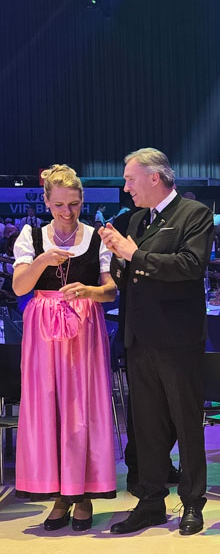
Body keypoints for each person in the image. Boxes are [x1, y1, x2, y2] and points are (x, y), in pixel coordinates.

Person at [102, 148, 213, 535]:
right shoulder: (136, 219)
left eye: (130, 179)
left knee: (186, 423)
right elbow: (125, 276)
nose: (126, 187)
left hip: (178, 339)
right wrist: (118, 255)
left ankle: (193, 502)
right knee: (146, 426)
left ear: (154, 177)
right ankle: (150, 501)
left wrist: (135, 254)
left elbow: (191, 266)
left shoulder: (193, 214)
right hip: (139, 337)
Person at [11, 165, 117, 531]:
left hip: (84, 330)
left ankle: (83, 494)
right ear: (46, 202)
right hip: (43, 333)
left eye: (73, 204)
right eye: (58, 205)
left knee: (81, 408)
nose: (66, 212)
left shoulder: (96, 238)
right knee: (48, 407)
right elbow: (20, 287)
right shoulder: (31, 237)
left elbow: (111, 290)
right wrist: (42, 260)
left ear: (82, 201)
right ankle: (59, 494)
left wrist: (90, 291)